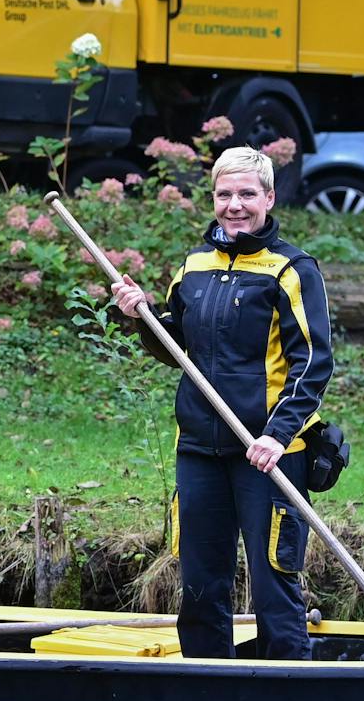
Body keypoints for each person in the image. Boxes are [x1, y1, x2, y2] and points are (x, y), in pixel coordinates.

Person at [109, 145, 333, 660]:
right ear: (213, 198)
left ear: (269, 198)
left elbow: (314, 363)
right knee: (201, 584)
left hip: (267, 452)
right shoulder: (193, 267)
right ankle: (211, 689)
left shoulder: (292, 270)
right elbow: (178, 350)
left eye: (247, 194)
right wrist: (138, 317)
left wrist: (277, 437)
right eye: (225, 194)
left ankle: (288, 695)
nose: (235, 205)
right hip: (199, 450)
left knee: (274, 581)